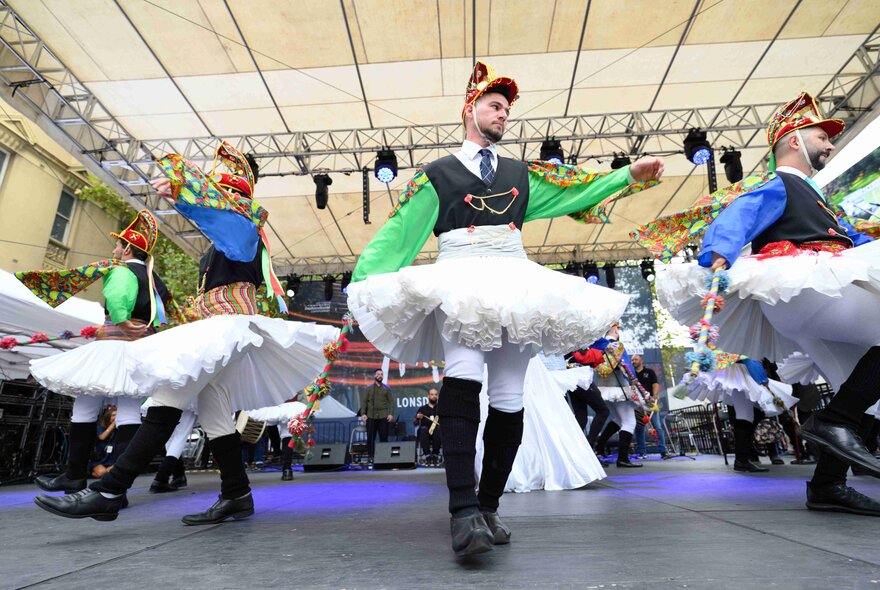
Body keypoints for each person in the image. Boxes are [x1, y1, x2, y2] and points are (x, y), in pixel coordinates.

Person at [347, 61, 663, 555]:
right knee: (464, 372)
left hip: (515, 278)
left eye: (507, 110)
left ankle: (488, 506)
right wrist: (364, 283)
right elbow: (399, 233)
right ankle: (461, 509)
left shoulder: (521, 174)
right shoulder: (437, 176)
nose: (503, 116)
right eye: (495, 106)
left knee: (511, 394)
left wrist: (626, 175)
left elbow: (574, 190)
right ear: (469, 109)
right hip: (460, 279)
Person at [33, 141, 339, 524]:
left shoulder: (244, 228)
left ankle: (111, 489)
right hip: (216, 328)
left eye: (219, 191)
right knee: (213, 410)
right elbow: (217, 221)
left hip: (228, 327)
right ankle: (237, 494)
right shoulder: (219, 244)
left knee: (167, 397)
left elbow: (224, 220)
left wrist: (186, 194)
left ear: (232, 195)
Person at [642, 92, 880, 515]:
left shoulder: (818, 197)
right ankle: (834, 423)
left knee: (855, 385)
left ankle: (827, 483)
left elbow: (853, 240)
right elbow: (738, 214)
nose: (829, 145)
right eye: (822, 136)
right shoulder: (779, 183)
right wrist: (719, 251)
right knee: (852, 397)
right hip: (803, 289)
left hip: (811, 296)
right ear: (793, 140)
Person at [24, 210, 171, 496]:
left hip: (113, 346)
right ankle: (114, 488)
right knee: (129, 411)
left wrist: (122, 320)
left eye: (117, 245)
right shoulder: (153, 278)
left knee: (86, 405)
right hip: (137, 349)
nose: (114, 249)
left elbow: (117, 299)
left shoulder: (122, 270)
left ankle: (74, 476)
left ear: (127, 248)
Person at [589, 324, 648, 468]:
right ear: (615, 331)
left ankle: (600, 447)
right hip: (619, 389)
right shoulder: (616, 345)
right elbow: (627, 370)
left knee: (619, 419)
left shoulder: (597, 346)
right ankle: (622, 458)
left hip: (605, 389)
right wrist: (637, 389)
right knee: (629, 422)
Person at [564, 350, 610, 450]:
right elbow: (584, 356)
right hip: (581, 377)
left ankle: (575, 449)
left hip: (571, 379)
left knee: (581, 417)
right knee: (603, 411)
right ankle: (588, 447)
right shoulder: (578, 340)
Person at [631, 354, 669, 459]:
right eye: (632, 360)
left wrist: (655, 395)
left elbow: (655, 384)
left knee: (657, 427)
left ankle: (663, 451)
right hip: (637, 404)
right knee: (639, 428)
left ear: (641, 361)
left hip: (650, 403)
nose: (634, 361)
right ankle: (641, 452)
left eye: (636, 359)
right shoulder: (631, 374)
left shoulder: (649, 372)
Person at [359, 369, 394, 462]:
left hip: (383, 416)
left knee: (383, 437)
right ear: (374, 376)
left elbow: (391, 402)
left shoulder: (387, 388)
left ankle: (384, 457)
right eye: (378, 374)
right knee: (371, 438)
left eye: (381, 374)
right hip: (371, 416)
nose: (380, 376)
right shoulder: (369, 388)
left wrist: (390, 413)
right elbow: (364, 402)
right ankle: (371, 457)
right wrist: (363, 413)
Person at [415, 388, 442, 465]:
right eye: (432, 394)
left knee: (438, 429)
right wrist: (417, 417)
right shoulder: (422, 408)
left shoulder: (440, 409)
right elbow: (415, 422)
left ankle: (435, 455)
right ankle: (427, 455)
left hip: (437, 433)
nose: (434, 396)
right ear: (428, 396)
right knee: (423, 429)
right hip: (425, 433)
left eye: (435, 394)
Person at [88, 406, 117, 479]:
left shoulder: (118, 430)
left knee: (117, 470)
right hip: (99, 459)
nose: (115, 417)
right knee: (102, 472)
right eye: (113, 415)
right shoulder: (100, 428)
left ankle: (105, 473)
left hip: (111, 460)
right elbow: (102, 437)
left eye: (117, 416)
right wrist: (112, 425)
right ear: (108, 417)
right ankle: (94, 473)